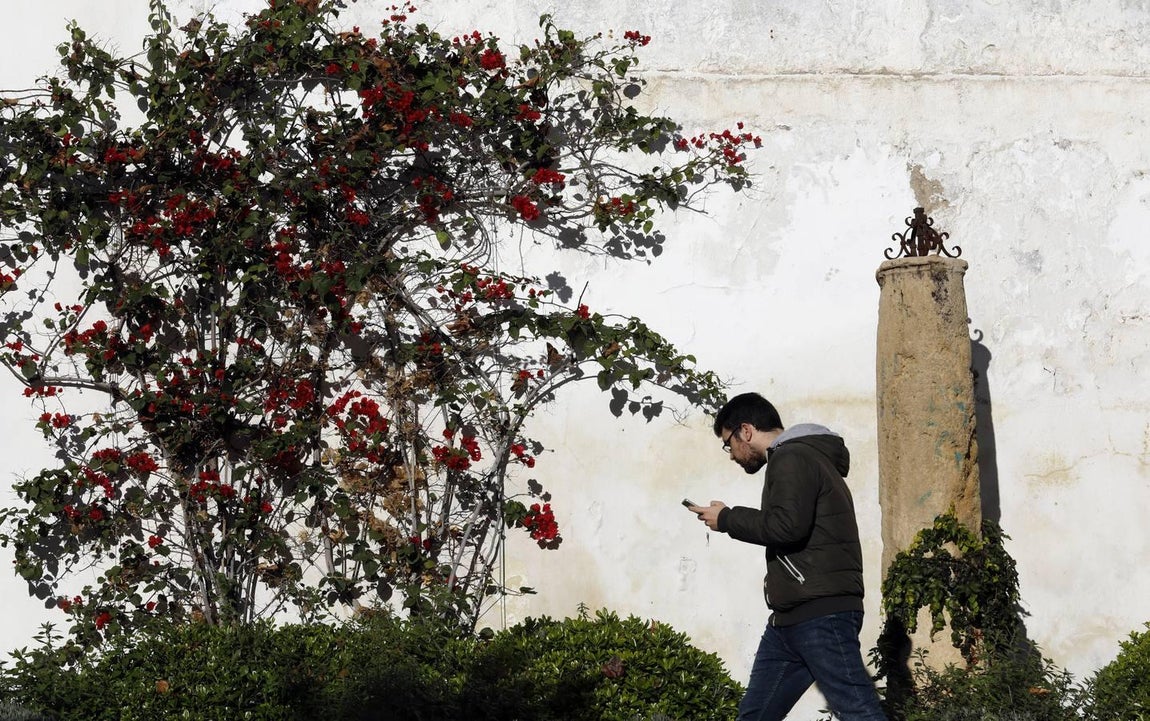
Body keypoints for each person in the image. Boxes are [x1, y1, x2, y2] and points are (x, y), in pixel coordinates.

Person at [688, 392, 887, 721]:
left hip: (820, 614)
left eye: (729, 443)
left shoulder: (792, 458)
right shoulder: (799, 457)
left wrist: (726, 519)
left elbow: (786, 527)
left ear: (746, 431)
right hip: (789, 619)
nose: (732, 455)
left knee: (859, 713)